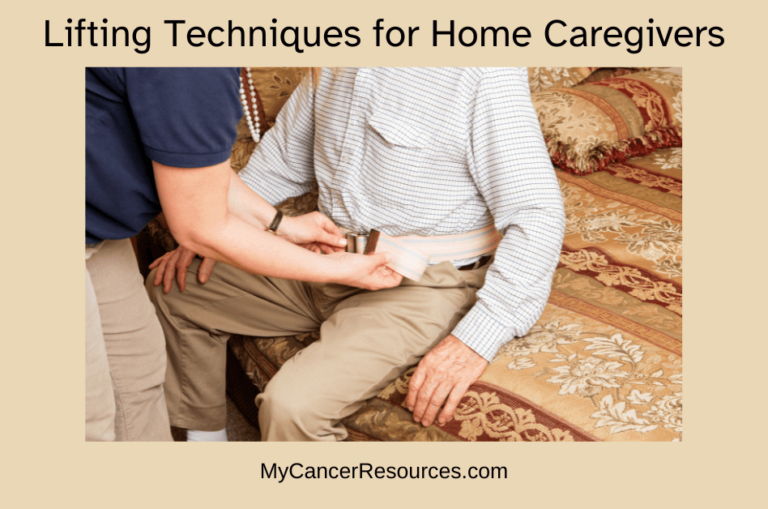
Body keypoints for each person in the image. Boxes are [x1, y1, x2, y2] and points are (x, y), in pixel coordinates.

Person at [147, 67, 566, 441]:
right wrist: (215, 232)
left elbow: (538, 213)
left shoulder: (481, 73)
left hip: (419, 282)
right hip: (328, 254)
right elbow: (280, 162)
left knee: (292, 409)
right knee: (174, 289)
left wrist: (476, 340)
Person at [85, 68, 399, 442]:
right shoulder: (193, 67)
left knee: (135, 378)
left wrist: (282, 223)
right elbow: (202, 227)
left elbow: (195, 165)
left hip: (95, 227)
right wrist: (333, 267)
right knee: (88, 415)